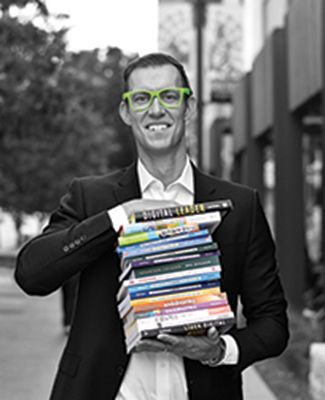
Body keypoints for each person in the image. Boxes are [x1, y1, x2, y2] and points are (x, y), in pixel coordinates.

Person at [15, 52, 289, 400]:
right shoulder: (90, 196)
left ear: (188, 108)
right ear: (126, 112)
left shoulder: (241, 206)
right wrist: (120, 216)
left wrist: (219, 350)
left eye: (169, 96)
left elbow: (273, 324)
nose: (155, 110)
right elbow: (31, 273)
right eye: (141, 98)